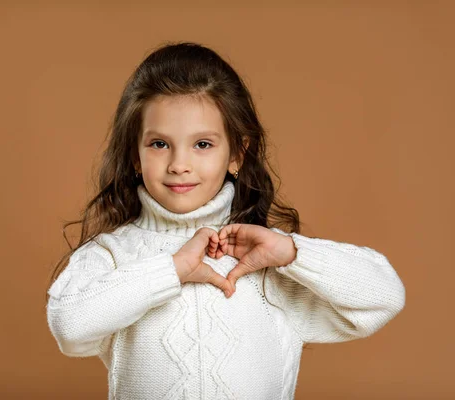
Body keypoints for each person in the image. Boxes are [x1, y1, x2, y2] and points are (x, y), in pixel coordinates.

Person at [45, 41, 406, 400]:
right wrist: (170, 270)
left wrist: (293, 252)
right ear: (134, 157)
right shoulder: (113, 255)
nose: (179, 164)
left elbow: (384, 297)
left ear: (236, 155)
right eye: (159, 144)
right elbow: (69, 326)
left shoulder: (267, 262)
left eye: (202, 144)